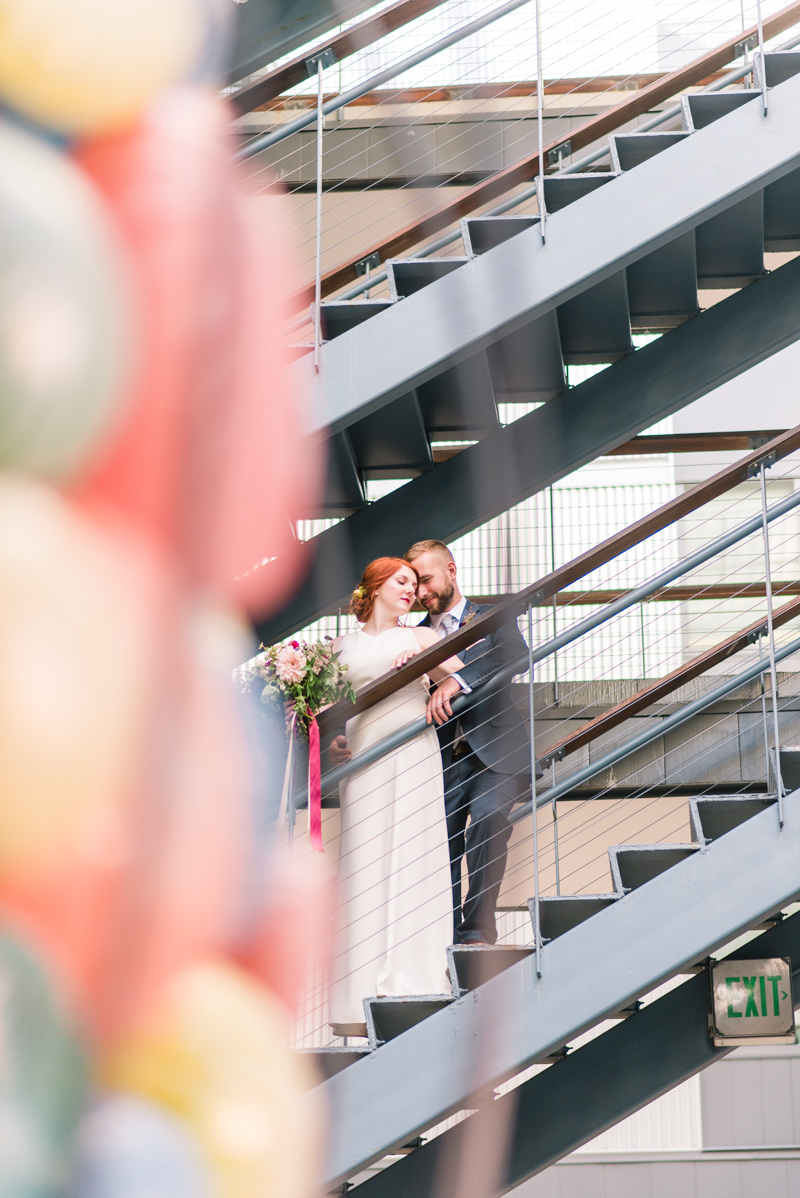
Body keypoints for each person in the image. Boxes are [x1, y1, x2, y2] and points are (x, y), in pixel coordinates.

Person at [327, 557, 465, 1038]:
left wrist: (437, 686)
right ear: (377, 586)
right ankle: (357, 990)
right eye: (401, 582)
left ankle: (413, 978)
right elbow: (325, 713)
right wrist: (333, 741)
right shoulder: (339, 647)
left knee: (411, 852)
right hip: (363, 763)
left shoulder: (421, 639)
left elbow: (461, 676)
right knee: (364, 862)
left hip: (410, 753)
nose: (411, 590)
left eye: (415, 583)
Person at [406, 539, 537, 947]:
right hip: (438, 760)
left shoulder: (492, 618)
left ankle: (476, 932)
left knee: (487, 816)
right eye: (415, 585)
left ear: (451, 570)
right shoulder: (409, 637)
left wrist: (456, 680)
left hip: (495, 756)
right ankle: (437, 945)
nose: (422, 593)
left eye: (427, 580)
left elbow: (515, 655)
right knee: (438, 846)